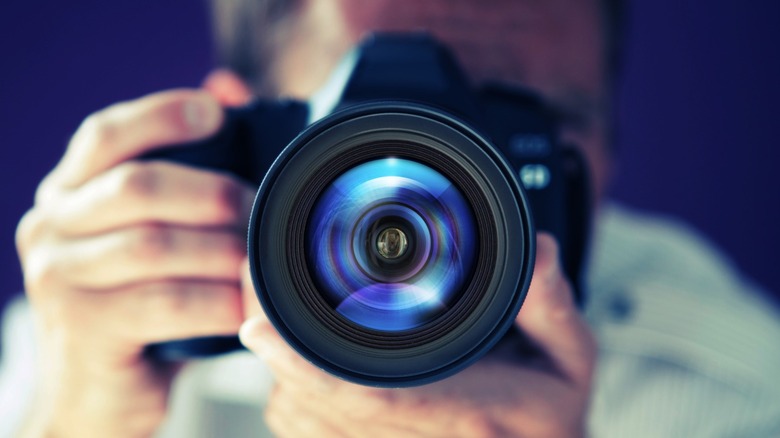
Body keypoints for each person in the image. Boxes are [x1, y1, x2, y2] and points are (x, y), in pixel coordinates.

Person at [7, 0, 780, 436]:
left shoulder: (738, 396)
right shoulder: (84, 346)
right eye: (382, 127)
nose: (445, 184)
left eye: (510, 124)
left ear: (606, 149)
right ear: (246, 135)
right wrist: (78, 425)